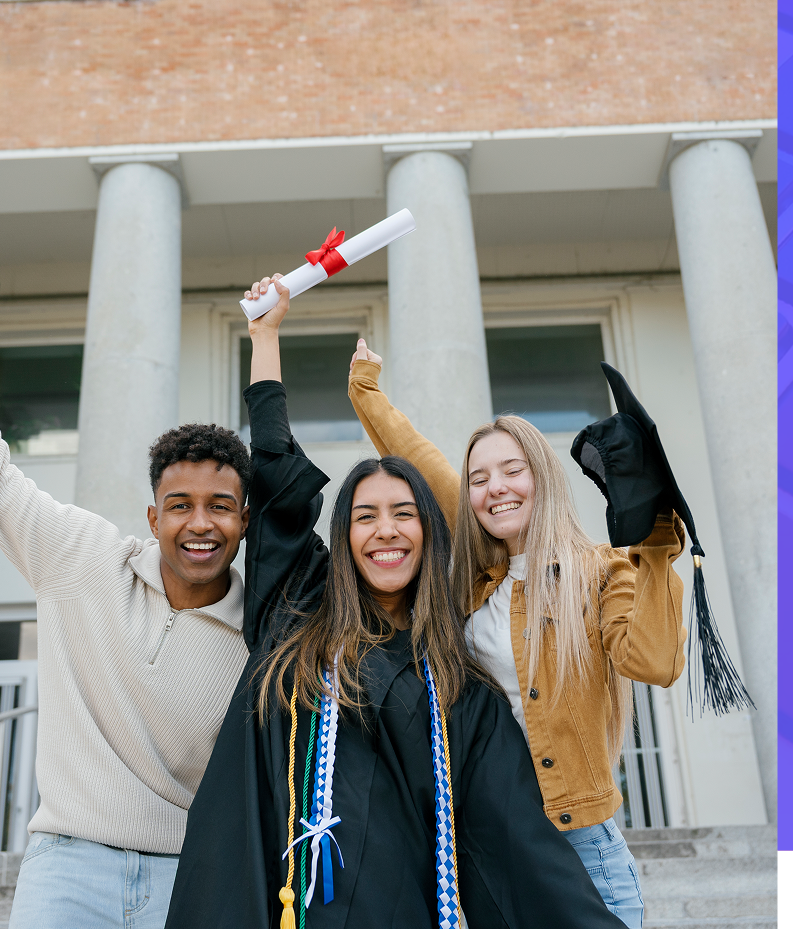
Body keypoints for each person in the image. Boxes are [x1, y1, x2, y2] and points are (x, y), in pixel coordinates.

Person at [164, 274, 630, 929]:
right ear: (344, 536)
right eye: (366, 515)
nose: (385, 529)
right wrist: (264, 336)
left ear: (430, 534)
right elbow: (273, 467)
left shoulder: (460, 688)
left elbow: (520, 846)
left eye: (405, 513)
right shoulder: (295, 619)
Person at [0, 233, 253, 929]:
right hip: (68, 865)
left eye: (220, 506)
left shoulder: (261, 631)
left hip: (187, 874)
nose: (200, 523)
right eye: (180, 505)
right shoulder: (80, 556)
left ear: (244, 518)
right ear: (153, 515)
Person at [347, 339, 688, 929]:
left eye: (512, 470)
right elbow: (418, 459)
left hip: (579, 847)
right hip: (491, 836)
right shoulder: (478, 577)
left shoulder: (602, 574)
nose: (494, 487)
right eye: (478, 478)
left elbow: (655, 662)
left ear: (542, 477)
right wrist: (366, 388)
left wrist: (655, 548)